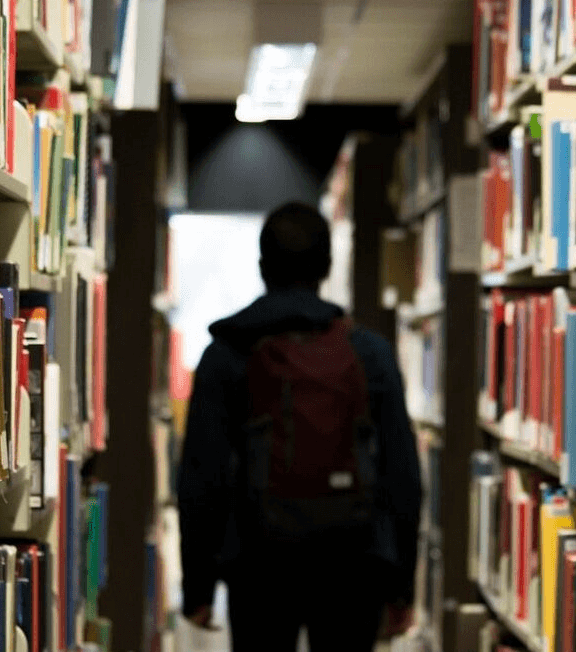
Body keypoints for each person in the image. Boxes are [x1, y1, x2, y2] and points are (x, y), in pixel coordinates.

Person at [177, 201, 423, 651]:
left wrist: (199, 588)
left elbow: (201, 476)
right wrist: (401, 585)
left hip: (258, 565)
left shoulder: (227, 354)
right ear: (327, 266)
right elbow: (403, 476)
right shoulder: (370, 353)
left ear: (262, 266)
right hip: (355, 562)